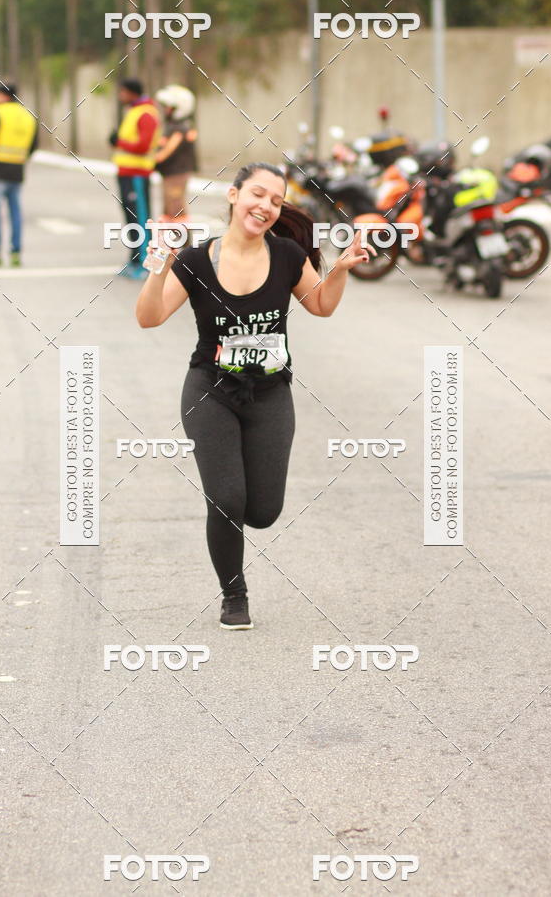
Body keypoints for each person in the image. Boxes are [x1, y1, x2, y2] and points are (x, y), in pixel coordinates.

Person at [135, 162, 375, 630]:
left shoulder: (286, 255)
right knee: (226, 499)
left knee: (262, 511)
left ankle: (239, 529)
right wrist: (160, 263)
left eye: (276, 201)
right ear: (234, 195)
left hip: (269, 392)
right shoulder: (196, 260)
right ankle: (234, 595)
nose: (265, 206)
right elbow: (149, 317)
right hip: (210, 391)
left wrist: (341, 269)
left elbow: (321, 305)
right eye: (257, 194)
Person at [0, 82, 38, 267]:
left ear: (4, 96)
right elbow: (33, 144)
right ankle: (16, 253)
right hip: (17, 170)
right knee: (15, 213)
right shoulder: (28, 115)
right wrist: (21, 159)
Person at [110, 78, 160, 280]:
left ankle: (146, 263)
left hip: (137, 175)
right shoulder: (134, 111)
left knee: (140, 218)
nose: (120, 96)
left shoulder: (146, 113)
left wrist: (119, 142)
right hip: (126, 173)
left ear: (132, 93)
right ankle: (134, 259)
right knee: (131, 218)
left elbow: (143, 146)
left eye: (122, 92)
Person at [154, 84, 198, 221]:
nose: (165, 110)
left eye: (169, 107)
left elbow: (166, 152)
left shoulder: (180, 128)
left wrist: (148, 161)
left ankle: (182, 235)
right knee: (169, 210)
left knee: (176, 209)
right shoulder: (174, 126)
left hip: (176, 175)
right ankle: (170, 234)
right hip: (170, 174)